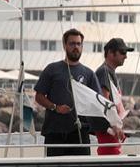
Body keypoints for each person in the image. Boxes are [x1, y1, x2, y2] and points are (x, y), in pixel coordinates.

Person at [34, 28, 102, 157]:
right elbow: (39, 96)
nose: (75, 47)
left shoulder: (89, 74)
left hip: (80, 133)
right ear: (65, 45)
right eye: (72, 44)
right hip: (55, 133)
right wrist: (55, 107)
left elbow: (97, 102)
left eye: (78, 44)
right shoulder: (52, 69)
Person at [93, 37, 131, 156]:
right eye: (123, 52)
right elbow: (104, 102)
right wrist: (114, 126)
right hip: (108, 129)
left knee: (111, 156)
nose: (126, 56)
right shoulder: (104, 71)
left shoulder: (108, 72)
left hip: (112, 128)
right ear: (110, 53)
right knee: (110, 157)